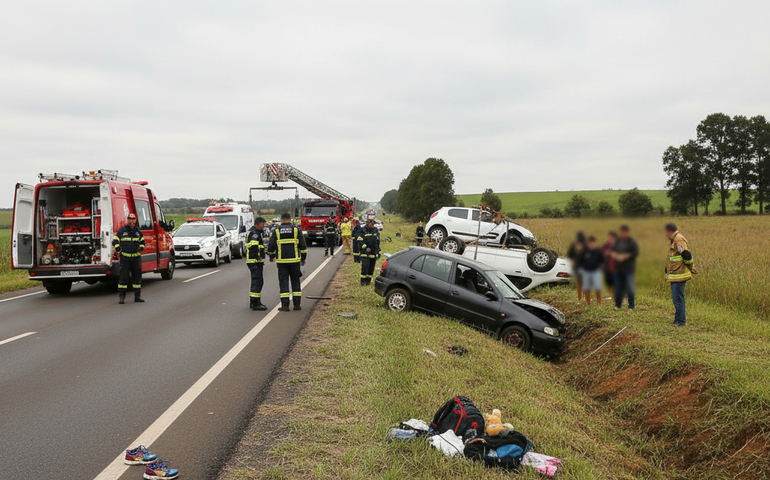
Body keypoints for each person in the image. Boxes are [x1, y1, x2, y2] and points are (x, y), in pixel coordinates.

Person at [267, 212, 308, 311]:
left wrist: (271, 255)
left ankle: (285, 306)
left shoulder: (277, 230)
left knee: (283, 282)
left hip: (282, 262)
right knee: (295, 281)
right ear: (290, 219)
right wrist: (303, 258)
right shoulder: (296, 230)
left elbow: (271, 245)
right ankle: (297, 305)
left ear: (281, 220)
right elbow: (303, 245)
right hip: (295, 261)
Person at [665, 223, 698, 326]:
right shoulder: (675, 239)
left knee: (678, 299)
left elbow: (686, 255)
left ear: (669, 231)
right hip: (676, 274)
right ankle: (677, 319)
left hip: (679, 274)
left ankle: (680, 321)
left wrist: (691, 267)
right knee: (677, 298)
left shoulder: (678, 240)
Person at [113, 213, 145, 304]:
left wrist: (141, 247)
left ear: (135, 220)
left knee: (137, 278)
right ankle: (122, 297)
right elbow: (115, 240)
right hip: (125, 259)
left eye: (133, 219)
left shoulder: (138, 232)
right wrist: (117, 247)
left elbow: (143, 242)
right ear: (127, 220)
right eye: (129, 219)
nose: (131, 221)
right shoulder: (122, 231)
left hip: (135, 259)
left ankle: (137, 297)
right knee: (123, 278)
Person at [611, 225, 639, 311]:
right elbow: (612, 251)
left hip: (628, 269)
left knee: (630, 287)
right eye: (621, 232)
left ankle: (631, 306)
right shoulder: (617, 241)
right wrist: (615, 255)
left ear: (627, 232)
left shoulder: (632, 242)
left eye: (624, 232)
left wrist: (626, 256)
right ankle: (618, 305)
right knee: (618, 287)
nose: (622, 234)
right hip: (618, 268)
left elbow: (635, 253)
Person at [246, 217, 268, 311]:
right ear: (258, 224)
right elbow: (254, 247)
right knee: (257, 282)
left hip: (254, 261)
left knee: (257, 281)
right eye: (263, 224)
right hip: (254, 261)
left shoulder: (254, 232)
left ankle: (253, 302)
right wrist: (257, 258)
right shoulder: (255, 233)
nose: (264, 225)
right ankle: (256, 303)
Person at [580, 236, 604, 306]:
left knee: (597, 288)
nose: (591, 244)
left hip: (596, 271)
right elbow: (580, 261)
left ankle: (599, 303)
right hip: (586, 272)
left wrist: (600, 269)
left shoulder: (598, 251)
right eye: (590, 243)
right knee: (586, 289)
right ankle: (588, 303)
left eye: (593, 243)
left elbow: (602, 261)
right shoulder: (584, 251)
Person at [357, 219, 380, 286]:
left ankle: (368, 281)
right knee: (365, 267)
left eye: (373, 223)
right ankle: (363, 281)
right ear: (367, 223)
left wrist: (377, 251)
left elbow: (377, 241)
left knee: (371, 268)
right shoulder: (363, 230)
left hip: (373, 253)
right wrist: (365, 247)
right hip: (365, 253)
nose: (372, 225)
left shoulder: (375, 230)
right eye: (370, 223)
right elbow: (359, 240)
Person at [567, 231, 587, 302]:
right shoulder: (585, 244)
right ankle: (583, 297)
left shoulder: (574, 244)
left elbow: (570, 256)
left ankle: (581, 298)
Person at [601, 231, 617, 299]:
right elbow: (601, 252)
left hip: (616, 267)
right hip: (607, 266)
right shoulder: (606, 245)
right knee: (608, 281)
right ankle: (610, 295)